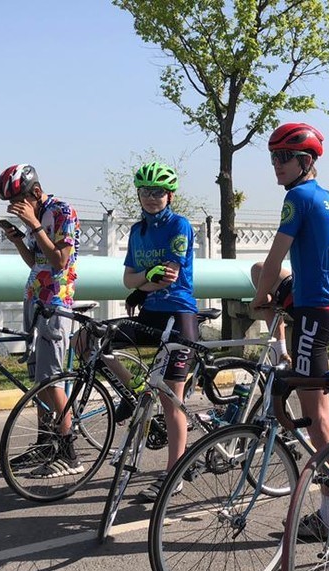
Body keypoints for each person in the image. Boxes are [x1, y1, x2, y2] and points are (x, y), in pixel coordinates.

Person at [251, 122, 329, 539]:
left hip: (314, 313)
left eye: (283, 157)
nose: (276, 165)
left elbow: (277, 256)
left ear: (305, 161)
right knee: (259, 269)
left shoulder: (297, 197)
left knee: (316, 417)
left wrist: (260, 300)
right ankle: (282, 350)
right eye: (272, 157)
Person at [0, 163, 82, 478]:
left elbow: (59, 261)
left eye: (19, 202)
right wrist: (19, 239)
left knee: (51, 378)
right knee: (38, 379)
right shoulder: (38, 216)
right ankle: (45, 443)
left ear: (35, 192)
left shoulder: (62, 212)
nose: (17, 208)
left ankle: (69, 452)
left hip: (55, 303)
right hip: (34, 298)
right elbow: (37, 261)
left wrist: (33, 225)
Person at [120, 161, 197, 502]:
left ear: (170, 196)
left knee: (171, 399)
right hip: (151, 313)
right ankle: (134, 390)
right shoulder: (138, 231)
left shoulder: (179, 225)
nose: (151, 198)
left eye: (158, 192)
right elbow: (128, 280)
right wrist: (143, 281)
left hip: (178, 314)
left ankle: (173, 475)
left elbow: (168, 275)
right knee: (92, 342)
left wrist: (143, 280)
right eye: (145, 192)